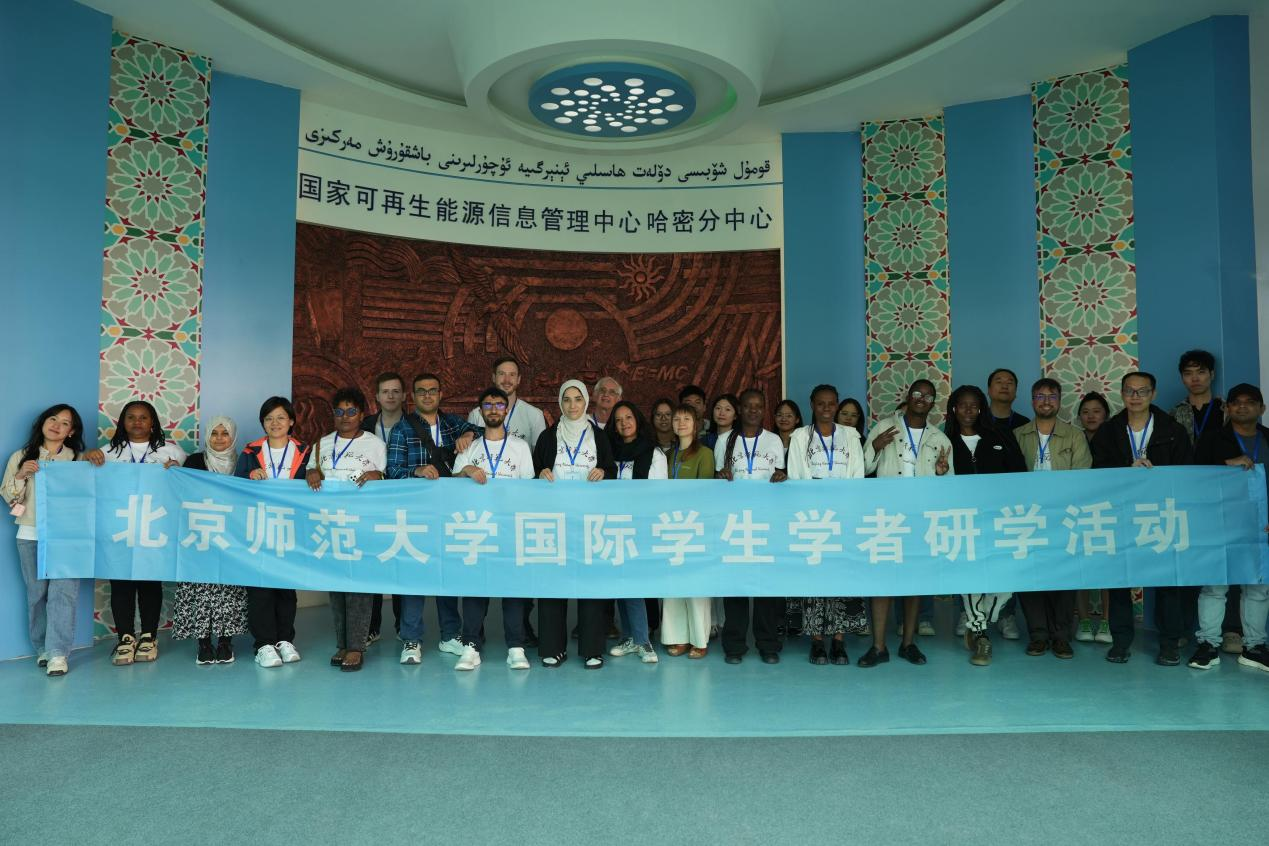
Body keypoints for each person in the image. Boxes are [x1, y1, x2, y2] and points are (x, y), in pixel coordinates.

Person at [1091, 371, 1193, 665]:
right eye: (1130, 391)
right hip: (1121, 514)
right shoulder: (1109, 431)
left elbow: (1186, 472)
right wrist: (1127, 467)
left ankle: (1169, 643)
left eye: (1142, 391)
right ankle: (1121, 642)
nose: (1135, 397)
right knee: (1119, 579)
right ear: (1122, 394)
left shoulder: (1172, 429)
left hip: (1161, 513)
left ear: (1153, 394)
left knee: (1167, 579)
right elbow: (1097, 471)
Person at [386, 372, 482, 662]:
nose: (427, 396)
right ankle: (411, 639)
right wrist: (415, 471)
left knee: (446, 572)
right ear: (413, 396)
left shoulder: (452, 423)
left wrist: (468, 435)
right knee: (415, 575)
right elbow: (392, 472)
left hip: (449, 511)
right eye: (421, 391)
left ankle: (450, 635)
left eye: (432, 391)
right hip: (416, 512)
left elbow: (480, 429)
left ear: (441, 395)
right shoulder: (402, 429)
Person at [83, 400, 185, 666]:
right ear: (123, 422)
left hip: (154, 528)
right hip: (119, 528)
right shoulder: (107, 452)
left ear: (153, 423)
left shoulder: (172, 451)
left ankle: (149, 636)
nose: (137, 422)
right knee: (121, 584)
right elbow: (85, 477)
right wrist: (86, 457)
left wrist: (178, 471)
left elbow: (184, 487)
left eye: (143, 417)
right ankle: (125, 638)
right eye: (131, 417)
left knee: (150, 582)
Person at [860, 379, 952, 667]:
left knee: (914, 581)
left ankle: (908, 643)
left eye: (928, 396)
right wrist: (875, 447)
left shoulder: (940, 438)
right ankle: (878, 647)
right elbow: (862, 468)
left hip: (920, 518)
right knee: (883, 582)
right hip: (887, 516)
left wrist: (942, 473)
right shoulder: (884, 427)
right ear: (908, 396)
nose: (922, 398)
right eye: (917, 393)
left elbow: (948, 488)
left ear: (933, 403)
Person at [451, 386, 537, 671]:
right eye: (488, 405)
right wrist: (466, 470)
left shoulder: (520, 448)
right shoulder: (470, 447)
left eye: (499, 405)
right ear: (480, 411)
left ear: (506, 410)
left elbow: (529, 489)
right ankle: (471, 646)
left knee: (513, 589)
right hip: (477, 528)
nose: (494, 410)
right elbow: (451, 484)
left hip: (510, 529)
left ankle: (516, 647)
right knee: (475, 589)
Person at [533, 380, 617, 668]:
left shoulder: (599, 436)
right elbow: (534, 471)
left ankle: (592, 648)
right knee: (553, 584)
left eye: (578, 399)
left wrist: (603, 472)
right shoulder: (547, 437)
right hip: (554, 521)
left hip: (589, 521)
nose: (572, 405)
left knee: (590, 584)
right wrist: (540, 474)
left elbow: (611, 470)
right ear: (560, 403)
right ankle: (552, 647)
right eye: (566, 399)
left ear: (586, 403)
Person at [1188, 383, 1269, 674]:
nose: (1243, 406)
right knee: (1214, 586)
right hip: (1219, 522)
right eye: (1236, 402)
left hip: (1261, 525)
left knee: (1258, 586)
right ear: (1228, 407)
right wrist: (1225, 465)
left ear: (1262, 408)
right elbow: (1193, 477)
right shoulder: (1212, 439)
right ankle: (1208, 645)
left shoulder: (1268, 439)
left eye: (1250, 402)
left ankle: (1255, 647)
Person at [305, 388, 386, 672]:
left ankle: (356, 647)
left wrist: (379, 475)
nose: (345, 417)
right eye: (339, 412)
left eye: (351, 411)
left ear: (362, 414)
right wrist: (310, 473)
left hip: (362, 524)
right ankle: (342, 643)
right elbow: (311, 473)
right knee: (337, 587)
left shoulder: (375, 444)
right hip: (330, 524)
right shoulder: (322, 444)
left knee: (359, 587)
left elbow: (388, 480)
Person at [786, 385, 866, 665]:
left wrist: (847, 509)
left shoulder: (850, 435)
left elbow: (858, 475)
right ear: (812, 404)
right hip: (813, 519)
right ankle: (817, 641)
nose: (826, 409)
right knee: (814, 579)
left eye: (831, 403)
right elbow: (796, 476)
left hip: (843, 517)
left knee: (841, 578)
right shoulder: (800, 437)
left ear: (837, 405)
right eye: (821, 403)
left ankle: (839, 641)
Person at [943, 385, 1023, 665]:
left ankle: (981, 620)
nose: (968, 410)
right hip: (963, 522)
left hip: (999, 520)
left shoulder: (999, 436)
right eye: (962, 405)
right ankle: (981, 636)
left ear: (981, 408)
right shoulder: (943, 440)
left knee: (1006, 581)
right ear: (954, 409)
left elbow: (1019, 475)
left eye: (974, 405)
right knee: (971, 580)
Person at [3, 404, 85, 676]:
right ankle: (42, 648)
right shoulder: (21, 456)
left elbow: (87, 497)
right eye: (53, 419)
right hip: (30, 534)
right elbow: (9, 497)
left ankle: (58, 654)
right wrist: (21, 475)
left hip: (67, 538)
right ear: (42, 422)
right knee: (36, 595)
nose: (56, 425)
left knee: (64, 595)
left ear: (71, 432)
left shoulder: (78, 460)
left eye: (65, 423)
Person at [1014, 379, 1091, 660]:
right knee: (1030, 578)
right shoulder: (1017, 435)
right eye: (1040, 396)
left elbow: (1082, 477)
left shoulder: (1074, 436)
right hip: (1027, 518)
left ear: (1060, 400)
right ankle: (1038, 635)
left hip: (1063, 518)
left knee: (1063, 577)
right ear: (1031, 400)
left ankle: (1061, 636)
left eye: (1052, 396)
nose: (1046, 401)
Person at [234, 396, 312, 668]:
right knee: (260, 588)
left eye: (281, 417)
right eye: (269, 418)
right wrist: (249, 476)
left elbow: (314, 487)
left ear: (291, 421)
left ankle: (284, 640)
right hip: (258, 527)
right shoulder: (250, 451)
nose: (275, 423)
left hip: (290, 527)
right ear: (262, 423)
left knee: (286, 588)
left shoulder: (306, 451)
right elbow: (235, 487)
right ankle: (264, 644)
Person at [1171, 349, 1241, 653]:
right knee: (1187, 560)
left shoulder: (1229, 411)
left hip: (1225, 497)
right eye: (1188, 373)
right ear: (1182, 378)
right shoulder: (1174, 414)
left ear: (1212, 374)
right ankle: (1183, 628)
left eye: (1201, 372)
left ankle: (1232, 629)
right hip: (1187, 496)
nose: (1195, 378)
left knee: (1228, 562)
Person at [716, 388, 787, 664]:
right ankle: (734, 645)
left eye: (759, 406)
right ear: (740, 409)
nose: (753, 410)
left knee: (765, 585)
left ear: (764, 409)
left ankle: (768, 644)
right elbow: (716, 479)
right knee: (735, 586)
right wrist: (721, 475)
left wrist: (781, 477)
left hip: (766, 521)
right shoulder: (725, 441)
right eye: (748, 406)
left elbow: (780, 474)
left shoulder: (773, 440)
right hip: (735, 522)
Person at [174, 416, 248, 665]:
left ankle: (226, 641)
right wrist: (173, 471)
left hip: (233, 536)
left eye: (225, 433)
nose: (219, 438)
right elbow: (181, 490)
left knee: (230, 589)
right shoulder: (195, 461)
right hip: (200, 535)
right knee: (200, 589)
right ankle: (203, 643)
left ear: (233, 437)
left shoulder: (243, 463)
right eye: (214, 433)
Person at [604, 401, 665, 664]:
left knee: (634, 582)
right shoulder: (609, 451)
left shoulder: (654, 453)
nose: (624, 423)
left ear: (638, 420)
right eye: (618, 420)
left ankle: (642, 640)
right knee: (620, 582)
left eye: (628, 417)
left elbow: (659, 494)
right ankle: (629, 637)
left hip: (641, 526)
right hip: (612, 525)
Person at [660, 404, 715, 658]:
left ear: (696, 424)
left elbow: (705, 492)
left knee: (695, 586)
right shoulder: (667, 455)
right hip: (671, 526)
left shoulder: (705, 453)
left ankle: (699, 640)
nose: (681, 423)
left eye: (686, 419)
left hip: (695, 526)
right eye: (677, 419)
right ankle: (677, 637)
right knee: (673, 586)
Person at [361, 371, 407, 643]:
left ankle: (403, 625)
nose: (390, 396)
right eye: (385, 391)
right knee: (373, 564)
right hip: (371, 506)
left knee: (401, 561)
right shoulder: (364, 425)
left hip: (403, 505)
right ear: (377, 397)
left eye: (395, 391)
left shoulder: (414, 425)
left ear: (404, 396)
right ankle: (371, 626)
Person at [1074, 391, 1113, 643]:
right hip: (1078, 510)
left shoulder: (1116, 438)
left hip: (1108, 510)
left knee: (1108, 568)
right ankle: (1084, 620)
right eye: (1085, 412)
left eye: (1096, 411)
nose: (1091, 416)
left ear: (1106, 415)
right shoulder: (1073, 438)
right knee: (1080, 566)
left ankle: (1107, 622)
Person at [466, 356, 548, 449]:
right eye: (502, 374)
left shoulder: (535, 415)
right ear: (494, 377)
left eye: (512, 375)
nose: (507, 380)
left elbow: (540, 455)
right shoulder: (476, 415)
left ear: (518, 379)